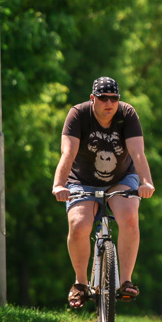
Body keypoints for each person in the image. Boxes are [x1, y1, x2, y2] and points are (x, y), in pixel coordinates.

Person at [52, 77, 155, 309]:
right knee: (79, 224)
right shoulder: (78, 115)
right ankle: (80, 283)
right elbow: (67, 154)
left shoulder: (127, 114)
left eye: (114, 98)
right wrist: (59, 184)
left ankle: (126, 281)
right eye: (103, 98)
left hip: (120, 179)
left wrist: (146, 182)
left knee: (129, 216)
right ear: (92, 99)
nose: (109, 103)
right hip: (82, 181)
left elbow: (138, 154)